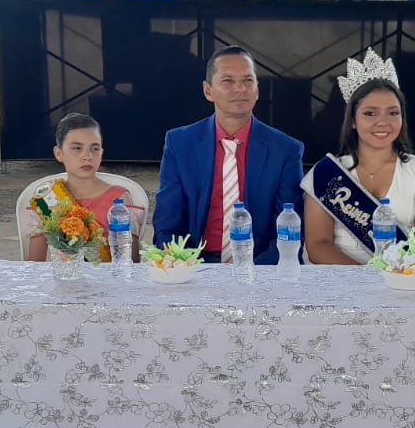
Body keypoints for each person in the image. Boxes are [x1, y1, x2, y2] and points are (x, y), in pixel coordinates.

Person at [154, 45, 305, 264]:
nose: (240, 88)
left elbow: (289, 231)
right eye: (228, 81)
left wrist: (253, 273)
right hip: (195, 263)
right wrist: (183, 265)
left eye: (248, 80)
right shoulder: (180, 143)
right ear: (208, 90)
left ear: (257, 90)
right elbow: (167, 224)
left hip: (261, 266)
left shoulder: (285, 149)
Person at [301, 67, 415, 264]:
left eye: (393, 113)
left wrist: (394, 278)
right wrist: (366, 278)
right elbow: (318, 246)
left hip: (403, 278)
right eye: (370, 113)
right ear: (353, 120)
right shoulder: (326, 173)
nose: (383, 122)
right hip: (340, 279)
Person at [23, 112, 144, 262]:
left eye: (95, 148)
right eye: (77, 148)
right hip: (64, 275)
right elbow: (35, 264)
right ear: (59, 153)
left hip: (108, 277)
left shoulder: (118, 201)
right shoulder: (47, 199)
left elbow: (131, 261)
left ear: (102, 153)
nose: (87, 156)